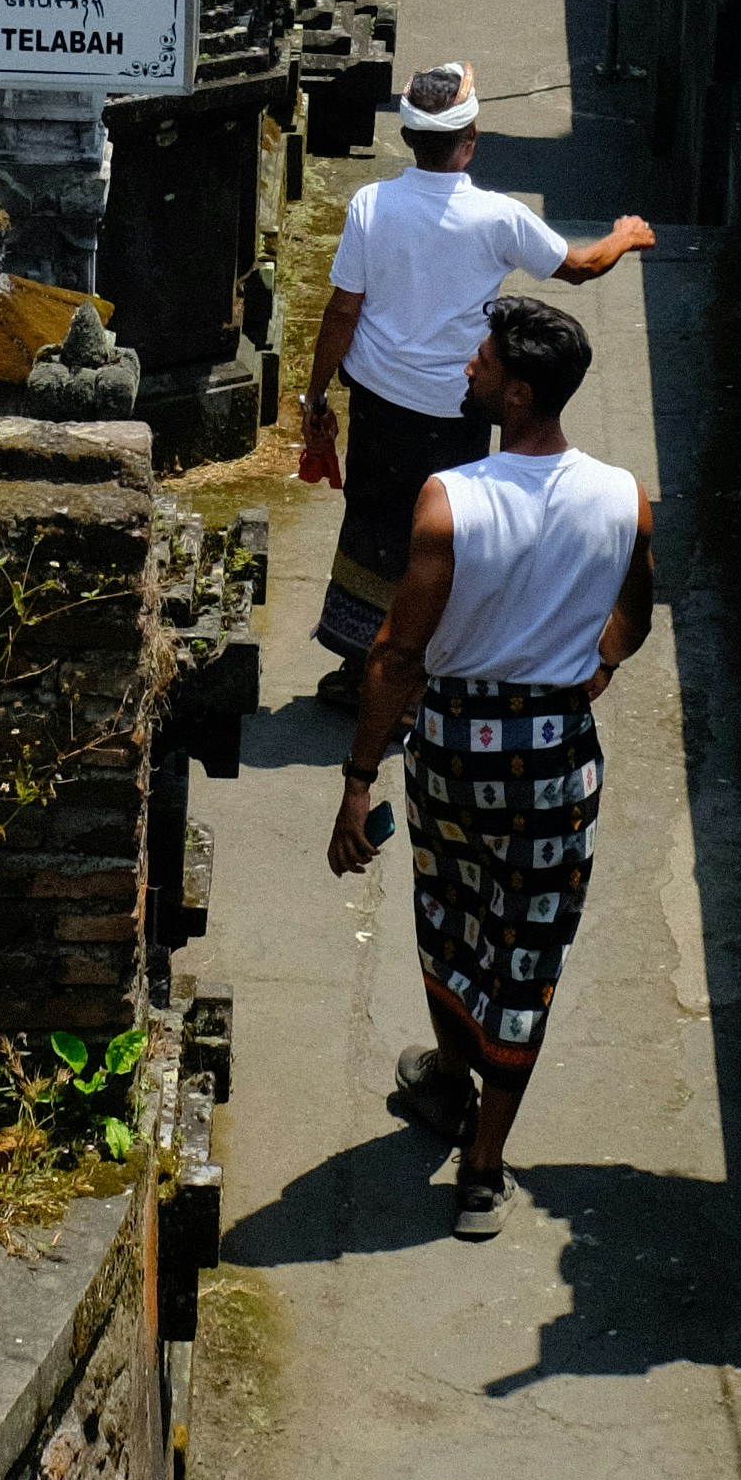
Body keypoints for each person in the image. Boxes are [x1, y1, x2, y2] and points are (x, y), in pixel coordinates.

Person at [326, 283, 654, 1237]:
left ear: (516, 397)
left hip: (455, 757)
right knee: (529, 954)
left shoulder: (452, 502)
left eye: (483, 362)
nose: (468, 367)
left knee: (451, 919)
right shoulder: (624, 499)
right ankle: (483, 1167)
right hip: (557, 764)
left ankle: (448, 1087)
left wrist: (357, 779)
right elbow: (634, 613)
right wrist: (595, 669)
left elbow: (394, 655)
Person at [294, 61, 652, 710]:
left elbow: (342, 311)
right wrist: (623, 238)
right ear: (472, 138)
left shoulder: (370, 206)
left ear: (406, 138)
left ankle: (360, 668)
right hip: (454, 413)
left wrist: (315, 399)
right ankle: (418, 677)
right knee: (440, 543)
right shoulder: (498, 219)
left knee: (374, 528)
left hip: (376, 399)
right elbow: (578, 267)